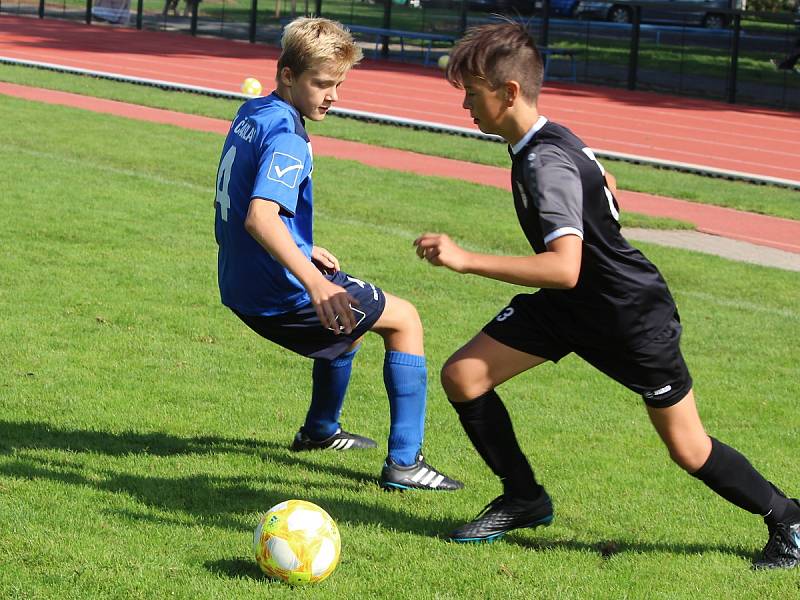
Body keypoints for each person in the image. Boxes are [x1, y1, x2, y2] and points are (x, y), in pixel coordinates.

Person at [413, 21, 799, 569]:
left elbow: (565, 268)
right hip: (573, 309)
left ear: (509, 93)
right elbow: (610, 185)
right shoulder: (549, 140)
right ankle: (524, 498)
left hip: (627, 317)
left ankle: (788, 519)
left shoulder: (544, 160)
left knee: (688, 448)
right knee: (464, 375)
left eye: (472, 95)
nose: (467, 108)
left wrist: (465, 258)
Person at [214, 17, 462, 492]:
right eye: (322, 83)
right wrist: (315, 280)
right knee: (405, 319)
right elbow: (260, 216)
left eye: (339, 84)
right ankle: (406, 464)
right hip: (276, 292)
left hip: (238, 280)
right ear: (287, 74)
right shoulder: (290, 137)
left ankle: (320, 431)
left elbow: (241, 194)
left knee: (348, 323)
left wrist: (305, 247)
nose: (332, 96)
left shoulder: (252, 112)